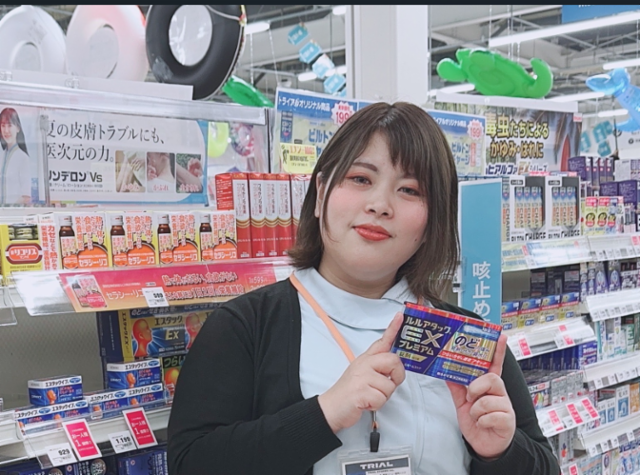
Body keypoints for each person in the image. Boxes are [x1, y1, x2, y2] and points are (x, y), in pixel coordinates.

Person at [167, 102, 560, 475]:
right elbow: (190, 463)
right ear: (320, 193)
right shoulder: (246, 326)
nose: (380, 204)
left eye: (410, 190)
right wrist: (325, 412)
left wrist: (499, 452)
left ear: (432, 223)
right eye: (360, 179)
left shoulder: (467, 337)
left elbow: (543, 464)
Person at [0, 107, 32, 205]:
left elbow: (26, 196)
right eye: (3, 125)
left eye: (10, 125)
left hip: (14, 213)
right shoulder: (2, 156)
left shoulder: (23, 158)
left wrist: (9, 208)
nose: (6, 130)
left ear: (18, 128)